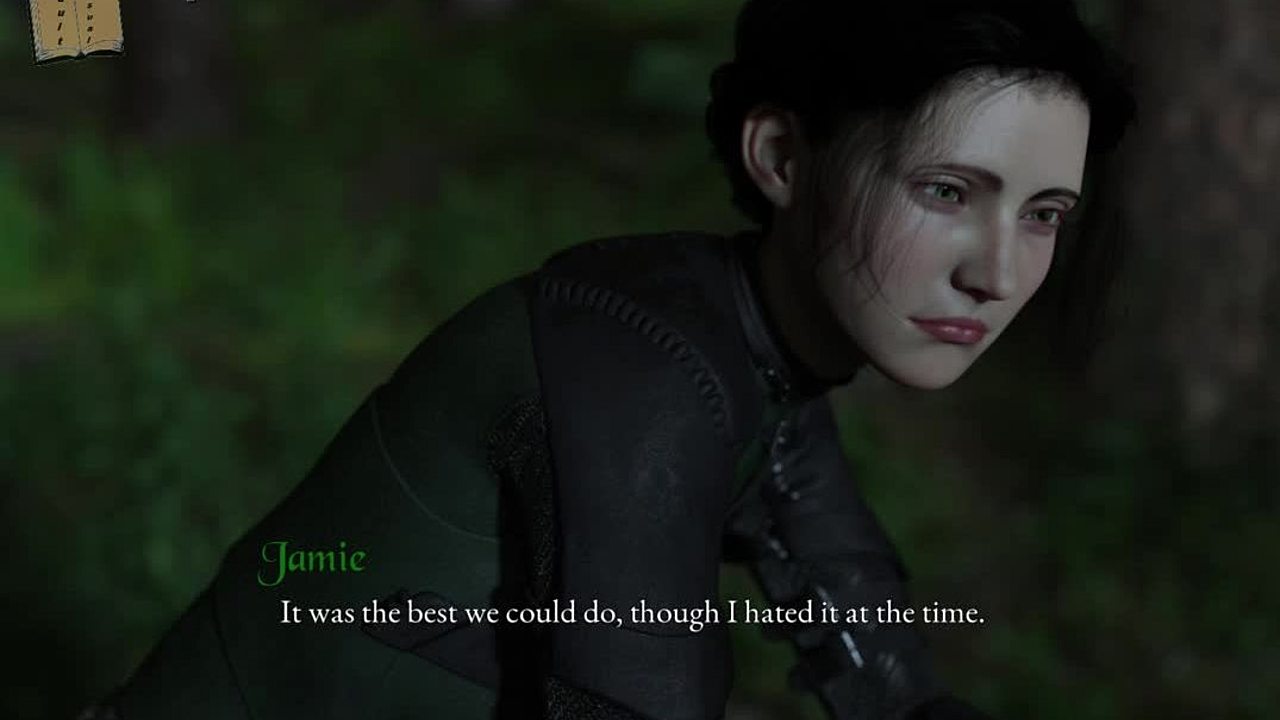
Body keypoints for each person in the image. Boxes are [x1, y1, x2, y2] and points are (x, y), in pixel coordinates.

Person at [88, 1, 1134, 718]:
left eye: (1043, 214)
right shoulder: (646, 366)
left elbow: (865, 631)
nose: (997, 273)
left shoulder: (758, 352)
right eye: (945, 192)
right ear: (780, 158)